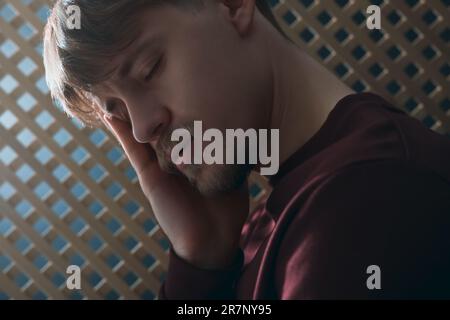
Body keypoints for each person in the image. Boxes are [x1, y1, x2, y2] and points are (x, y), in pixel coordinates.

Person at [43, 0, 450, 299]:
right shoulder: (273, 220)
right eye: (118, 112)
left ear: (232, 5)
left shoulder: (366, 199)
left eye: (150, 68)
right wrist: (202, 261)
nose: (144, 128)